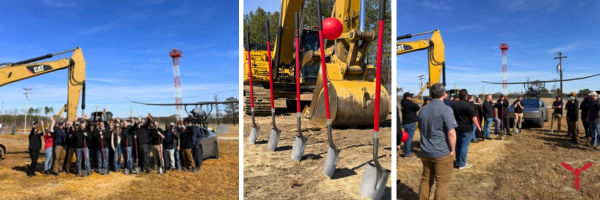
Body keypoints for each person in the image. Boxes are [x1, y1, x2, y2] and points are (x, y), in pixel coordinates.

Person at [417, 83, 457, 199]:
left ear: (431, 94)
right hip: (441, 152)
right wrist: (453, 149)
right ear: (444, 94)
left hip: (425, 151)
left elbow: (421, 129)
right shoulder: (446, 109)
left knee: (425, 180)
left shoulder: (423, 109)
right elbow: (451, 132)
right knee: (442, 182)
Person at [452, 90, 481, 170]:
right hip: (466, 128)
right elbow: (473, 117)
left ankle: (458, 161)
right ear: (466, 96)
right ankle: (462, 164)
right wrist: (478, 127)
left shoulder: (454, 104)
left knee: (458, 145)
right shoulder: (469, 105)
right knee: (464, 146)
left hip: (457, 128)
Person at [401, 92, 420, 158]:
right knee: (408, 139)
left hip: (406, 122)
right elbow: (417, 107)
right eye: (410, 97)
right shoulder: (408, 103)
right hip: (410, 123)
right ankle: (407, 153)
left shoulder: (403, 103)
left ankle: (407, 151)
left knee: (407, 138)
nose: (411, 98)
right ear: (407, 97)